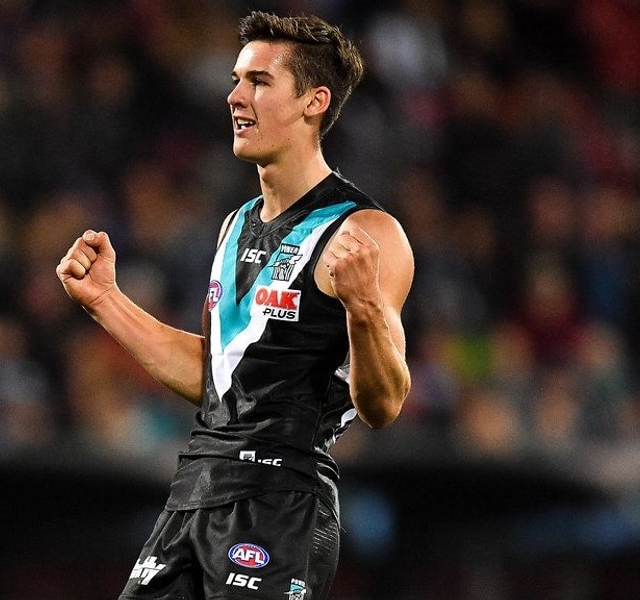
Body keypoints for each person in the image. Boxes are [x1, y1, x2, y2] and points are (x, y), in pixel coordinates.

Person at [57, 11, 414, 600]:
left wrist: (366, 311)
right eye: (236, 80)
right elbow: (218, 378)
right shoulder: (235, 224)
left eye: (259, 81)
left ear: (314, 102)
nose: (235, 97)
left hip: (279, 498)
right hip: (193, 492)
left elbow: (384, 404)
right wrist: (105, 302)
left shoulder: (364, 231)